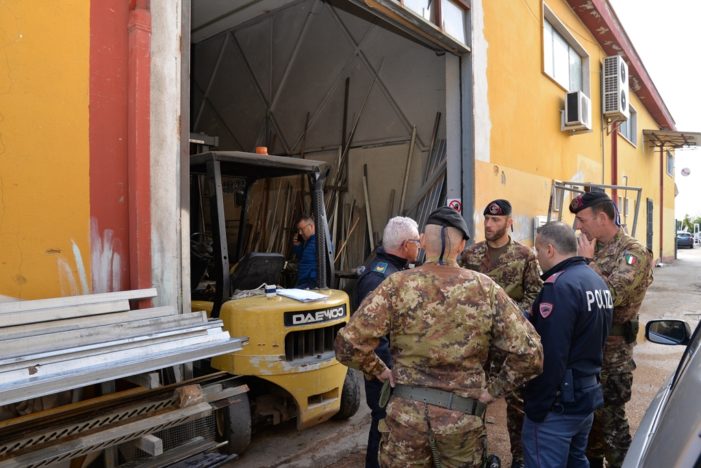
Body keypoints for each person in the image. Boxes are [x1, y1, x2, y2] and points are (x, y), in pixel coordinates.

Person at [335, 206, 543, 467]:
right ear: (462, 246)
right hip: (462, 421)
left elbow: (347, 344)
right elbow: (531, 353)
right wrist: (493, 391)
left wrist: (380, 370)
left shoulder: (396, 285)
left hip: (405, 423)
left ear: (422, 241)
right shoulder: (485, 288)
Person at [569, 191, 653, 468]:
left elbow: (612, 294)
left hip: (613, 354)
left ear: (602, 217)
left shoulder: (633, 253)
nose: (578, 227)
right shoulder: (593, 247)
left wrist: (587, 264)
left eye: (582, 220)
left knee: (612, 427)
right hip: (586, 348)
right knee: (588, 423)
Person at [459, 199, 543, 468]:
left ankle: (519, 458)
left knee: (517, 406)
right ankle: (479, 457)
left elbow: (536, 294)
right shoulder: (470, 255)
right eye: (486, 219)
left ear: (509, 222)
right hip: (477, 344)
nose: (489, 224)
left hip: (509, 345)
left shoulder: (525, 256)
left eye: (495, 220)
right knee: (473, 402)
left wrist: (509, 316)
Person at [522, 221, 613, 467]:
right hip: (585, 396)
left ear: (550, 250)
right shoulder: (596, 281)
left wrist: (537, 406)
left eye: (538, 250)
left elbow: (551, 354)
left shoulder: (559, 287)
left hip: (559, 405)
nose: (537, 256)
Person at [354, 216, 421, 468]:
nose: (420, 246)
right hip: (384, 374)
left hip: (392, 370)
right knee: (383, 425)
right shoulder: (378, 278)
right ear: (405, 245)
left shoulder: (396, 271)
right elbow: (371, 336)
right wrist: (388, 370)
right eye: (417, 241)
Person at [292, 215, 318, 289]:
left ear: (311, 226)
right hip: (302, 282)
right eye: (299, 230)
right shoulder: (308, 242)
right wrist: (297, 246)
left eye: (302, 229)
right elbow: (305, 259)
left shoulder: (320, 241)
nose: (300, 233)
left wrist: (313, 281)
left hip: (311, 284)